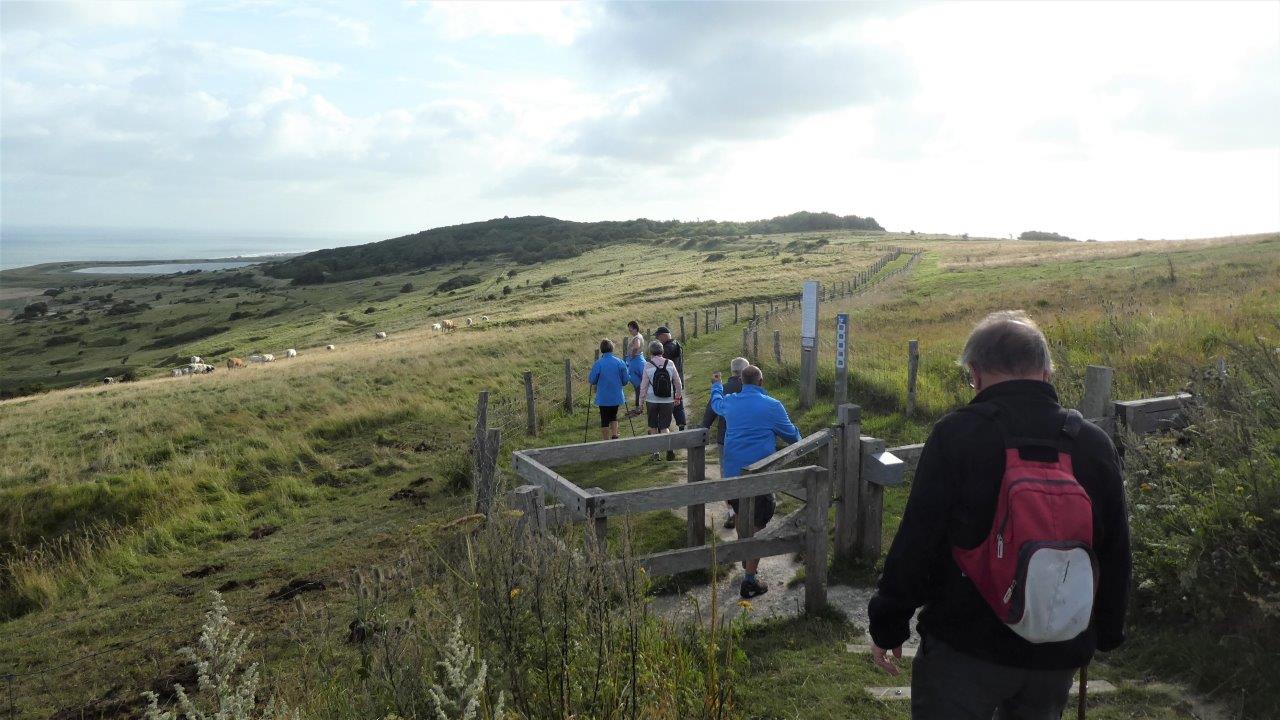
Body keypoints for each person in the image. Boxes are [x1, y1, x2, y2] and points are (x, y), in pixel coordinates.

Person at [867, 310, 1131, 720]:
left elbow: (920, 538)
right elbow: (1114, 547)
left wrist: (889, 622)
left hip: (965, 644)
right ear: (1046, 372)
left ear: (975, 373)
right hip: (1056, 650)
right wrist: (1107, 630)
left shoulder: (958, 434)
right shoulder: (1092, 444)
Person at [709, 364, 800, 598]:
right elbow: (793, 437)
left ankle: (745, 554)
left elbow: (716, 404)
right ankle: (750, 579)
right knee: (760, 520)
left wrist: (717, 385)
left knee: (742, 514)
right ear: (761, 382)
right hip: (759, 475)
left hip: (733, 473)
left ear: (741, 381)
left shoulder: (730, 401)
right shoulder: (772, 406)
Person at [701, 356, 748, 529]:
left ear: (732, 371)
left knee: (727, 475)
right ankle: (748, 510)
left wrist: (702, 430)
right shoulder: (753, 389)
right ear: (747, 371)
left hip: (725, 440)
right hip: (748, 439)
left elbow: (709, 414)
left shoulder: (723, 389)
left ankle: (731, 513)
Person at [639, 339, 683, 460]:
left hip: (652, 400)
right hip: (667, 400)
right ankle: (669, 448)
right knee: (664, 427)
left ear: (650, 352)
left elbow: (643, 386)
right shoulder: (670, 363)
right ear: (662, 351)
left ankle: (656, 453)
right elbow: (678, 382)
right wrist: (678, 397)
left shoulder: (648, 365)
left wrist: (640, 403)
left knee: (653, 427)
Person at [588, 338, 630, 441]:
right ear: (612, 348)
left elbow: (592, 380)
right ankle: (615, 435)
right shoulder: (620, 362)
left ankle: (606, 440)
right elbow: (625, 380)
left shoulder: (599, 363)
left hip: (603, 397)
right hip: (616, 395)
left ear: (602, 349)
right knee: (614, 415)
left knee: (604, 418)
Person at [655, 326, 687, 431]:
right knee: (678, 405)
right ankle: (681, 426)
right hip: (676, 380)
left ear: (664, 336)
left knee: (668, 406)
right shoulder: (675, 344)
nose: (658, 339)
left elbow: (661, 361)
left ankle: (665, 429)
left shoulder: (668, 347)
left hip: (670, 382)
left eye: (658, 337)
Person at [624, 321, 646, 410]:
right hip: (640, 360)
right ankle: (641, 405)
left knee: (637, 386)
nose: (629, 331)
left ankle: (638, 407)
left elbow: (636, 346)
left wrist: (632, 355)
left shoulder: (636, 338)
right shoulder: (640, 336)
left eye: (631, 329)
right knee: (643, 384)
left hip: (635, 362)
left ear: (635, 329)